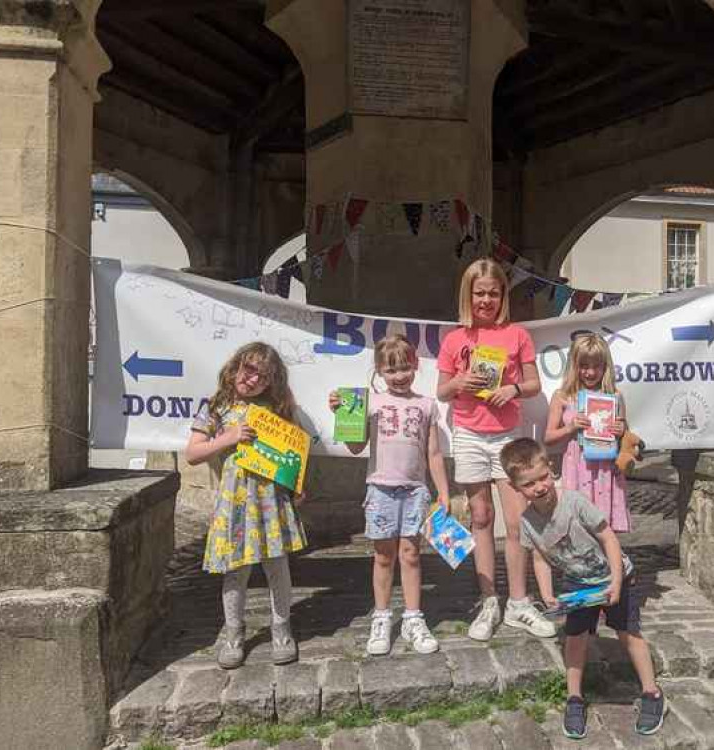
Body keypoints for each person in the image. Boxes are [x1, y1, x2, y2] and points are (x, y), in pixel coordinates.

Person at [500, 438, 666, 740]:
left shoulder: (574, 502)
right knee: (575, 639)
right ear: (515, 487)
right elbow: (539, 557)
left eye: (542, 478)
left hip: (615, 577)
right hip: (578, 586)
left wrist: (616, 580)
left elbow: (608, 538)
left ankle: (652, 693)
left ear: (551, 470)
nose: (539, 487)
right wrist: (547, 593)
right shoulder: (527, 523)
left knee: (629, 634)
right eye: (528, 484)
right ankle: (574, 698)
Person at [436, 258, 555, 641]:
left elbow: (534, 383)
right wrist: (460, 381)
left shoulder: (517, 334)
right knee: (481, 518)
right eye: (479, 292)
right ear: (468, 295)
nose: (486, 299)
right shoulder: (455, 339)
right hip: (469, 433)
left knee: (517, 521)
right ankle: (490, 601)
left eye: (493, 292)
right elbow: (441, 391)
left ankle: (519, 603)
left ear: (503, 295)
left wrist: (514, 389)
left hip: (507, 436)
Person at [186, 342, 308, 669]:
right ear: (236, 366)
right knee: (235, 570)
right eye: (249, 369)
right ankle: (234, 633)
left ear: (271, 383)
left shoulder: (278, 408)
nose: (253, 379)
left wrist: (296, 484)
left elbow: (293, 452)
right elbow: (193, 454)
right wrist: (228, 437)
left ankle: (282, 629)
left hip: (271, 500)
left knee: (277, 567)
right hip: (234, 501)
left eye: (263, 377)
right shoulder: (216, 407)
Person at [330, 334, 451, 656]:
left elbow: (434, 453)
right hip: (380, 488)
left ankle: (413, 618)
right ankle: (382, 618)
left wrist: (444, 493)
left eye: (404, 368)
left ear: (415, 366)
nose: (399, 376)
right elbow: (355, 446)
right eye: (391, 370)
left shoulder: (427, 405)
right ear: (379, 372)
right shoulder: (369, 403)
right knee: (383, 556)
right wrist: (342, 414)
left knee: (411, 555)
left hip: (415, 491)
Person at [544, 333, 630, 532]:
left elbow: (626, 439)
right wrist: (570, 427)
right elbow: (548, 437)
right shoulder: (562, 397)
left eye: (596, 366)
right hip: (576, 467)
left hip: (607, 469)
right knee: (578, 526)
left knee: (606, 529)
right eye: (584, 366)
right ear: (574, 366)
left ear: (605, 366)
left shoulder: (615, 395)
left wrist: (622, 429)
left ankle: (612, 563)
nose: (590, 372)